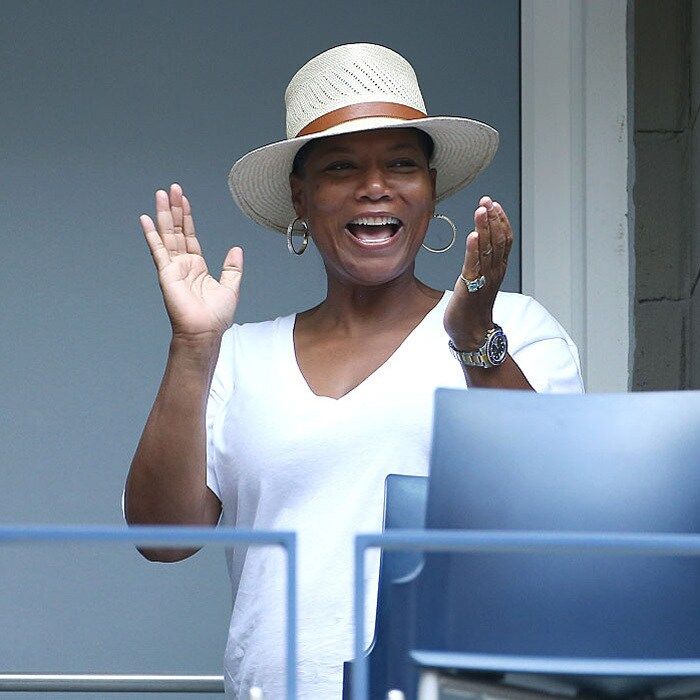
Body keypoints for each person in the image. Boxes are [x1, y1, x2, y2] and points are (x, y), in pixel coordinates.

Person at [124, 43, 583, 699]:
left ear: (430, 191)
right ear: (301, 199)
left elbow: (560, 507)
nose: (376, 186)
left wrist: (477, 340)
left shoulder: (514, 328)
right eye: (342, 168)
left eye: (402, 163)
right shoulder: (241, 355)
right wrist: (194, 343)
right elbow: (160, 539)